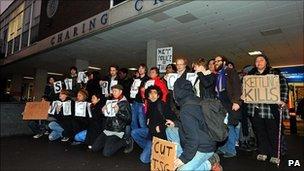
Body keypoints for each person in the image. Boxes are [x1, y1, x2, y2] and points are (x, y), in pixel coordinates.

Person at [165, 78, 222, 171]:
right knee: (170, 130)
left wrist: (183, 159)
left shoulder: (186, 109)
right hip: (208, 139)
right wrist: (175, 123)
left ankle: (210, 162)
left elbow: (193, 139)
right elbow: (196, 122)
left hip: (203, 148)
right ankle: (185, 156)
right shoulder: (197, 100)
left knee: (181, 170)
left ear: (177, 93)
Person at [247, 54, 288, 164]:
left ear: (266, 62)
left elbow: (284, 86)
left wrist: (282, 100)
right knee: (260, 132)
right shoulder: (250, 76)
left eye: (261, 60)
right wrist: (244, 95)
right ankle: (263, 152)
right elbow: (245, 90)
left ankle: (275, 154)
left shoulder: (275, 73)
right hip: (255, 109)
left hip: (270, 109)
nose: (258, 62)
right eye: (256, 60)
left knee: (273, 132)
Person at [131, 86, 175, 163]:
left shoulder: (162, 105)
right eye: (150, 93)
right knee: (134, 132)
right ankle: (152, 150)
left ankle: (152, 150)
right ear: (148, 95)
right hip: (150, 132)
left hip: (159, 135)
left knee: (144, 159)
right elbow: (149, 117)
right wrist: (148, 120)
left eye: (155, 93)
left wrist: (161, 127)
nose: (152, 95)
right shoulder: (150, 104)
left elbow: (173, 119)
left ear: (158, 95)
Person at [91, 84, 133, 156]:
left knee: (106, 153)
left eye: (115, 91)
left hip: (117, 131)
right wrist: (103, 111)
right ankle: (109, 142)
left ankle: (125, 141)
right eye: (113, 91)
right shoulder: (111, 101)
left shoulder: (125, 103)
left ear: (120, 91)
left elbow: (128, 119)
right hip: (107, 129)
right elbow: (107, 115)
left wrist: (118, 112)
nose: (113, 93)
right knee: (94, 148)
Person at [214, 55, 242, 158]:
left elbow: (237, 87)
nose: (216, 63)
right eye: (215, 61)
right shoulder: (218, 74)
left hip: (229, 102)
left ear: (224, 62)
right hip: (220, 102)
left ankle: (231, 150)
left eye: (218, 61)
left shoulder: (230, 71)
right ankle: (223, 148)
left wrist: (237, 102)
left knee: (229, 126)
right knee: (223, 126)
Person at [130, 64, 150, 130]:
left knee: (142, 122)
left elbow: (150, 92)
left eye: (142, 68)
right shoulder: (136, 79)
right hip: (135, 101)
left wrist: (144, 89)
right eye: (139, 68)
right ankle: (135, 138)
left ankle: (143, 138)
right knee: (133, 121)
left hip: (142, 103)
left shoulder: (148, 80)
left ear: (145, 70)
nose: (140, 69)